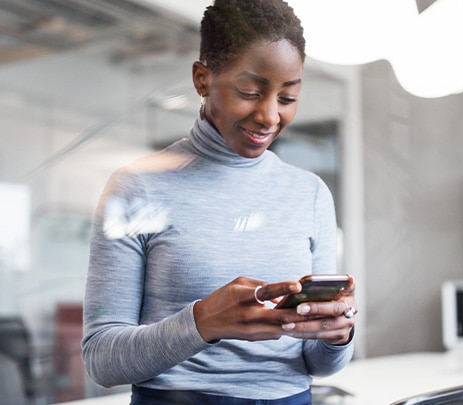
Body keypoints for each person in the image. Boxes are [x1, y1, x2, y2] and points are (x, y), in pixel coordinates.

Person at [81, 1, 356, 404]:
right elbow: (101, 359)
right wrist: (203, 321)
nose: (269, 115)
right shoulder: (137, 186)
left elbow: (318, 363)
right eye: (249, 92)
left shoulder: (309, 192)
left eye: (288, 97)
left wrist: (336, 335)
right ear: (202, 79)